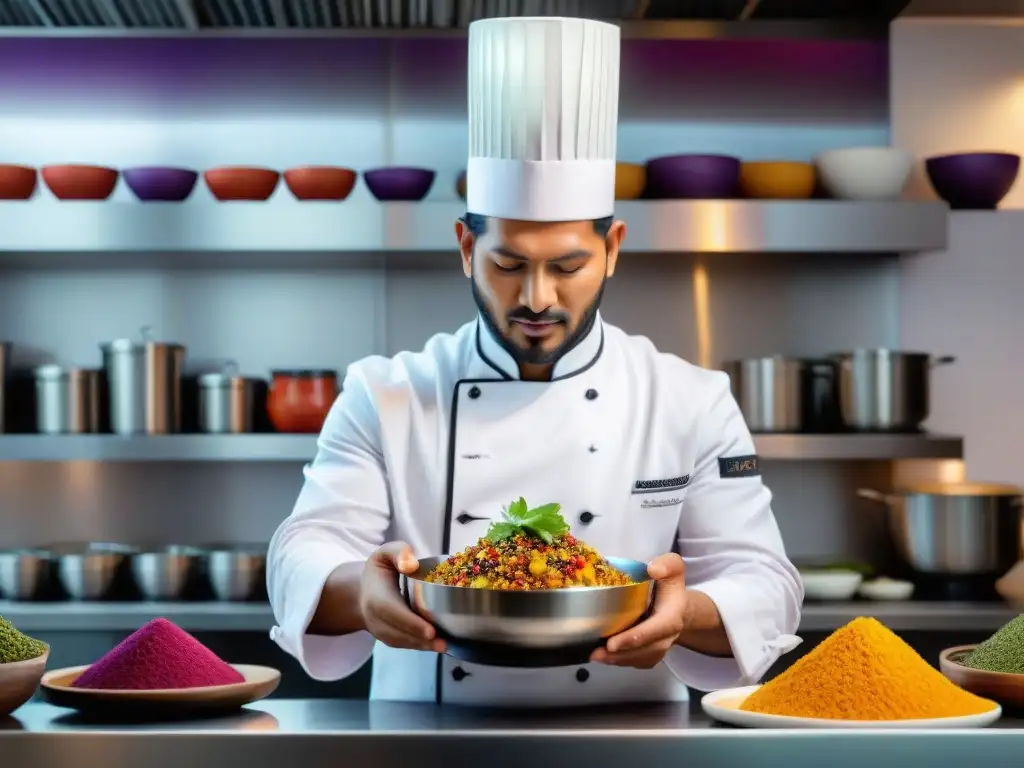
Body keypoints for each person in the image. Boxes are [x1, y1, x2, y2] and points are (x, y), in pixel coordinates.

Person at [267, 15, 802, 707]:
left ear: (613, 247)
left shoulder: (689, 400)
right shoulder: (386, 393)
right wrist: (366, 591)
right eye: (508, 263)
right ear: (465, 247)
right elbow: (304, 548)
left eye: (568, 266)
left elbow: (764, 579)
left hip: (631, 741)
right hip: (425, 740)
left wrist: (682, 611)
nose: (537, 297)